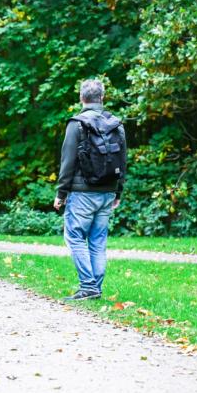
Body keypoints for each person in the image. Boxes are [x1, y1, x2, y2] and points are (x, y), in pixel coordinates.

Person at [53, 79, 127, 301]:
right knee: (98, 240)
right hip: (107, 191)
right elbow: (123, 160)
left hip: (82, 192)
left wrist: (61, 193)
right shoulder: (116, 124)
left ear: (81, 98)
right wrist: (118, 191)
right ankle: (95, 288)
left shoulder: (77, 124)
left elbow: (67, 162)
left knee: (74, 237)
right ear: (102, 98)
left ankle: (88, 286)